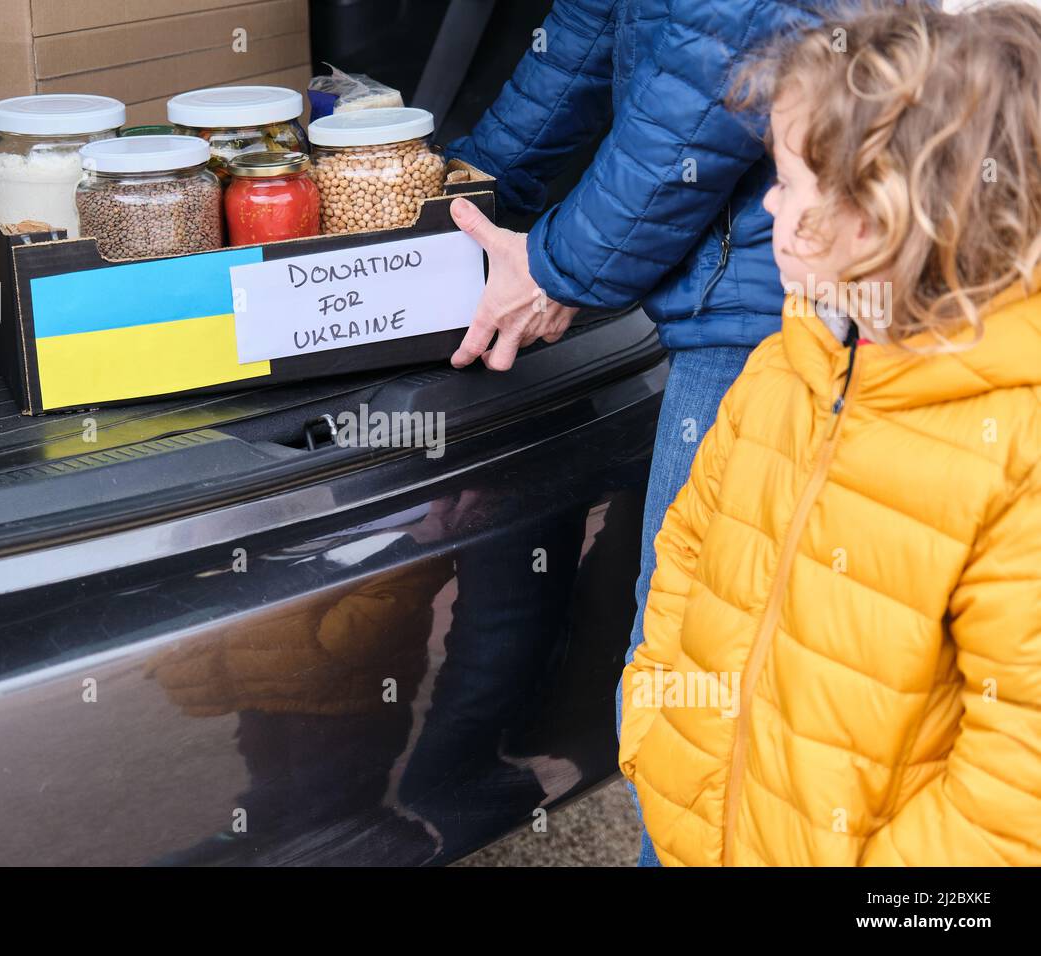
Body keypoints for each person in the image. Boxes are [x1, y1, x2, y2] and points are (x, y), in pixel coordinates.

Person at [619, 1, 1041, 865]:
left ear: (884, 215)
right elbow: (685, 557)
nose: (768, 204)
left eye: (789, 182)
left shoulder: (1012, 451)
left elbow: (1016, 789)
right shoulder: (784, 369)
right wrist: (652, 729)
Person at [441, 0, 826, 865]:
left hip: (763, 309)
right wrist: (464, 190)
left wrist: (557, 269)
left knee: (703, 659)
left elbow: (701, 82)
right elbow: (586, 28)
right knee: (690, 638)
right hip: (738, 297)